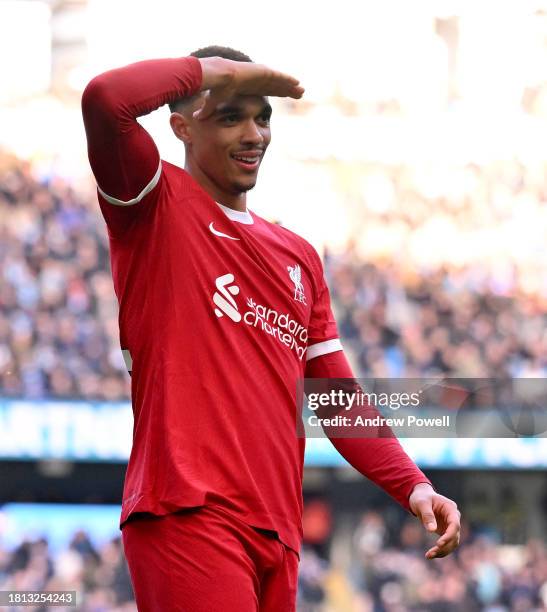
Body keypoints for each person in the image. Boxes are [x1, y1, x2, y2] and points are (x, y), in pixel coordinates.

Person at [81, 45, 460, 612]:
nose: (254, 133)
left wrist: (414, 485)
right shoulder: (154, 204)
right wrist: (225, 73)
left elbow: (337, 399)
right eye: (230, 115)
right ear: (181, 127)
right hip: (188, 512)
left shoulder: (299, 256)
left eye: (262, 116)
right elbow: (106, 100)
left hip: (278, 533)